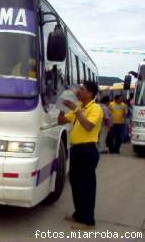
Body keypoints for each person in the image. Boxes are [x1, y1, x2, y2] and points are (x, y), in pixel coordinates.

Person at [58, 81, 103, 230]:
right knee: (75, 183)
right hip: (77, 150)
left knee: (86, 186)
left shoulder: (95, 108)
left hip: (88, 150)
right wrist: (62, 106)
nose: (79, 92)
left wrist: (75, 109)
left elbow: (88, 126)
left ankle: (88, 221)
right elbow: (61, 121)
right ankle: (79, 214)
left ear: (90, 93)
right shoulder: (80, 107)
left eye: (82, 90)